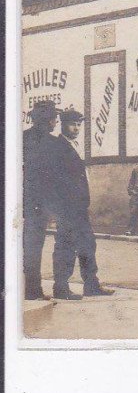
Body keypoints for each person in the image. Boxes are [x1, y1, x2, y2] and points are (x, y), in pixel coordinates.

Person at [46, 108, 114, 300]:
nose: (76, 128)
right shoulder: (58, 147)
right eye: (72, 124)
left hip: (79, 208)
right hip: (67, 208)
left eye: (78, 125)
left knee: (88, 244)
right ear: (63, 124)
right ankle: (60, 287)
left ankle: (91, 285)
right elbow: (56, 180)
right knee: (66, 246)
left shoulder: (74, 145)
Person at [22, 100, 58, 300]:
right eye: (54, 119)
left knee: (27, 246)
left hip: (23, 199)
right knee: (35, 246)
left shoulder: (22, 138)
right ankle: (33, 290)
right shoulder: (52, 143)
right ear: (49, 120)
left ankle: (28, 288)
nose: (56, 123)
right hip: (40, 203)